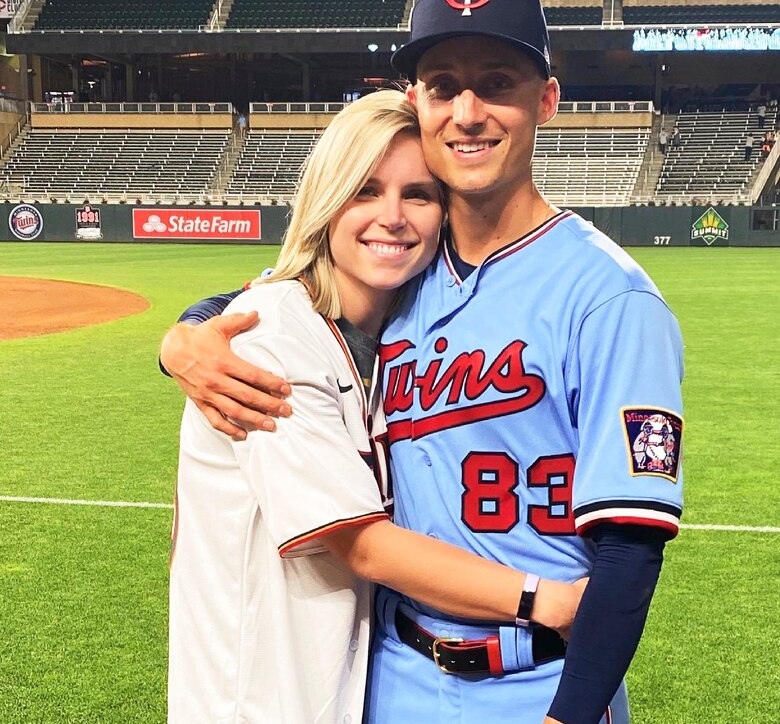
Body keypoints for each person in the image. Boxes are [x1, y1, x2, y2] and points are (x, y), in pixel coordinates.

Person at [162, 0, 684, 724]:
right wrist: (184, 336)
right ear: (420, 104)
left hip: (537, 677)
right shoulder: (408, 283)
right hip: (391, 677)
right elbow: (282, 300)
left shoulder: (610, 299)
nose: (468, 113)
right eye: (445, 86)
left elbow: (631, 552)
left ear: (546, 101)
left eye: (496, 84)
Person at [168, 89, 584, 724]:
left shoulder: (400, 336)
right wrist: (543, 600)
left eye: (417, 194)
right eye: (365, 190)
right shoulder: (269, 338)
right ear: (326, 203)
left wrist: (185, 330)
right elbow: (357, 543)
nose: (392, 216)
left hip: (338, 682)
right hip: (255, 695)